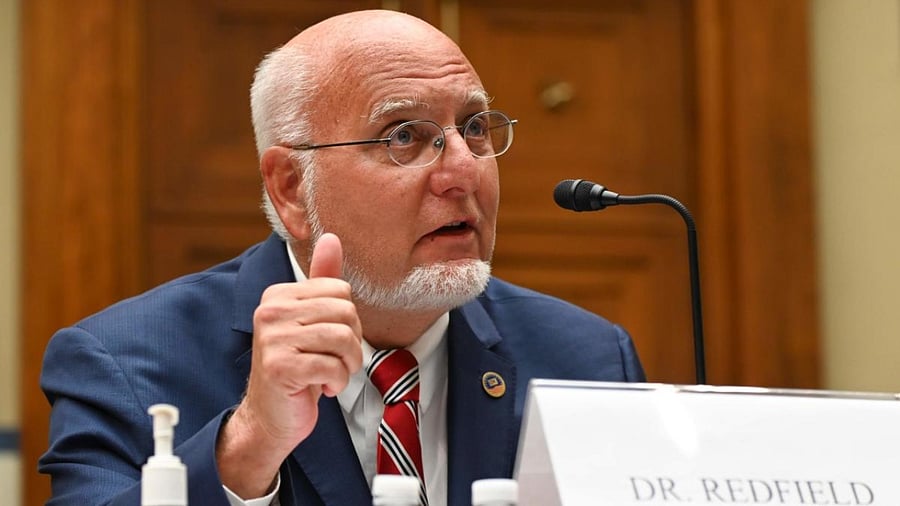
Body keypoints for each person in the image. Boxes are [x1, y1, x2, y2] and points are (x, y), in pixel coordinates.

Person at [39, 9, 645, 506]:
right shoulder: (123, 366)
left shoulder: (586, 362)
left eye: (475, 127)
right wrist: (247, 447)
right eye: (404, 135)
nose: (464, 170)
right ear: (291, 188)